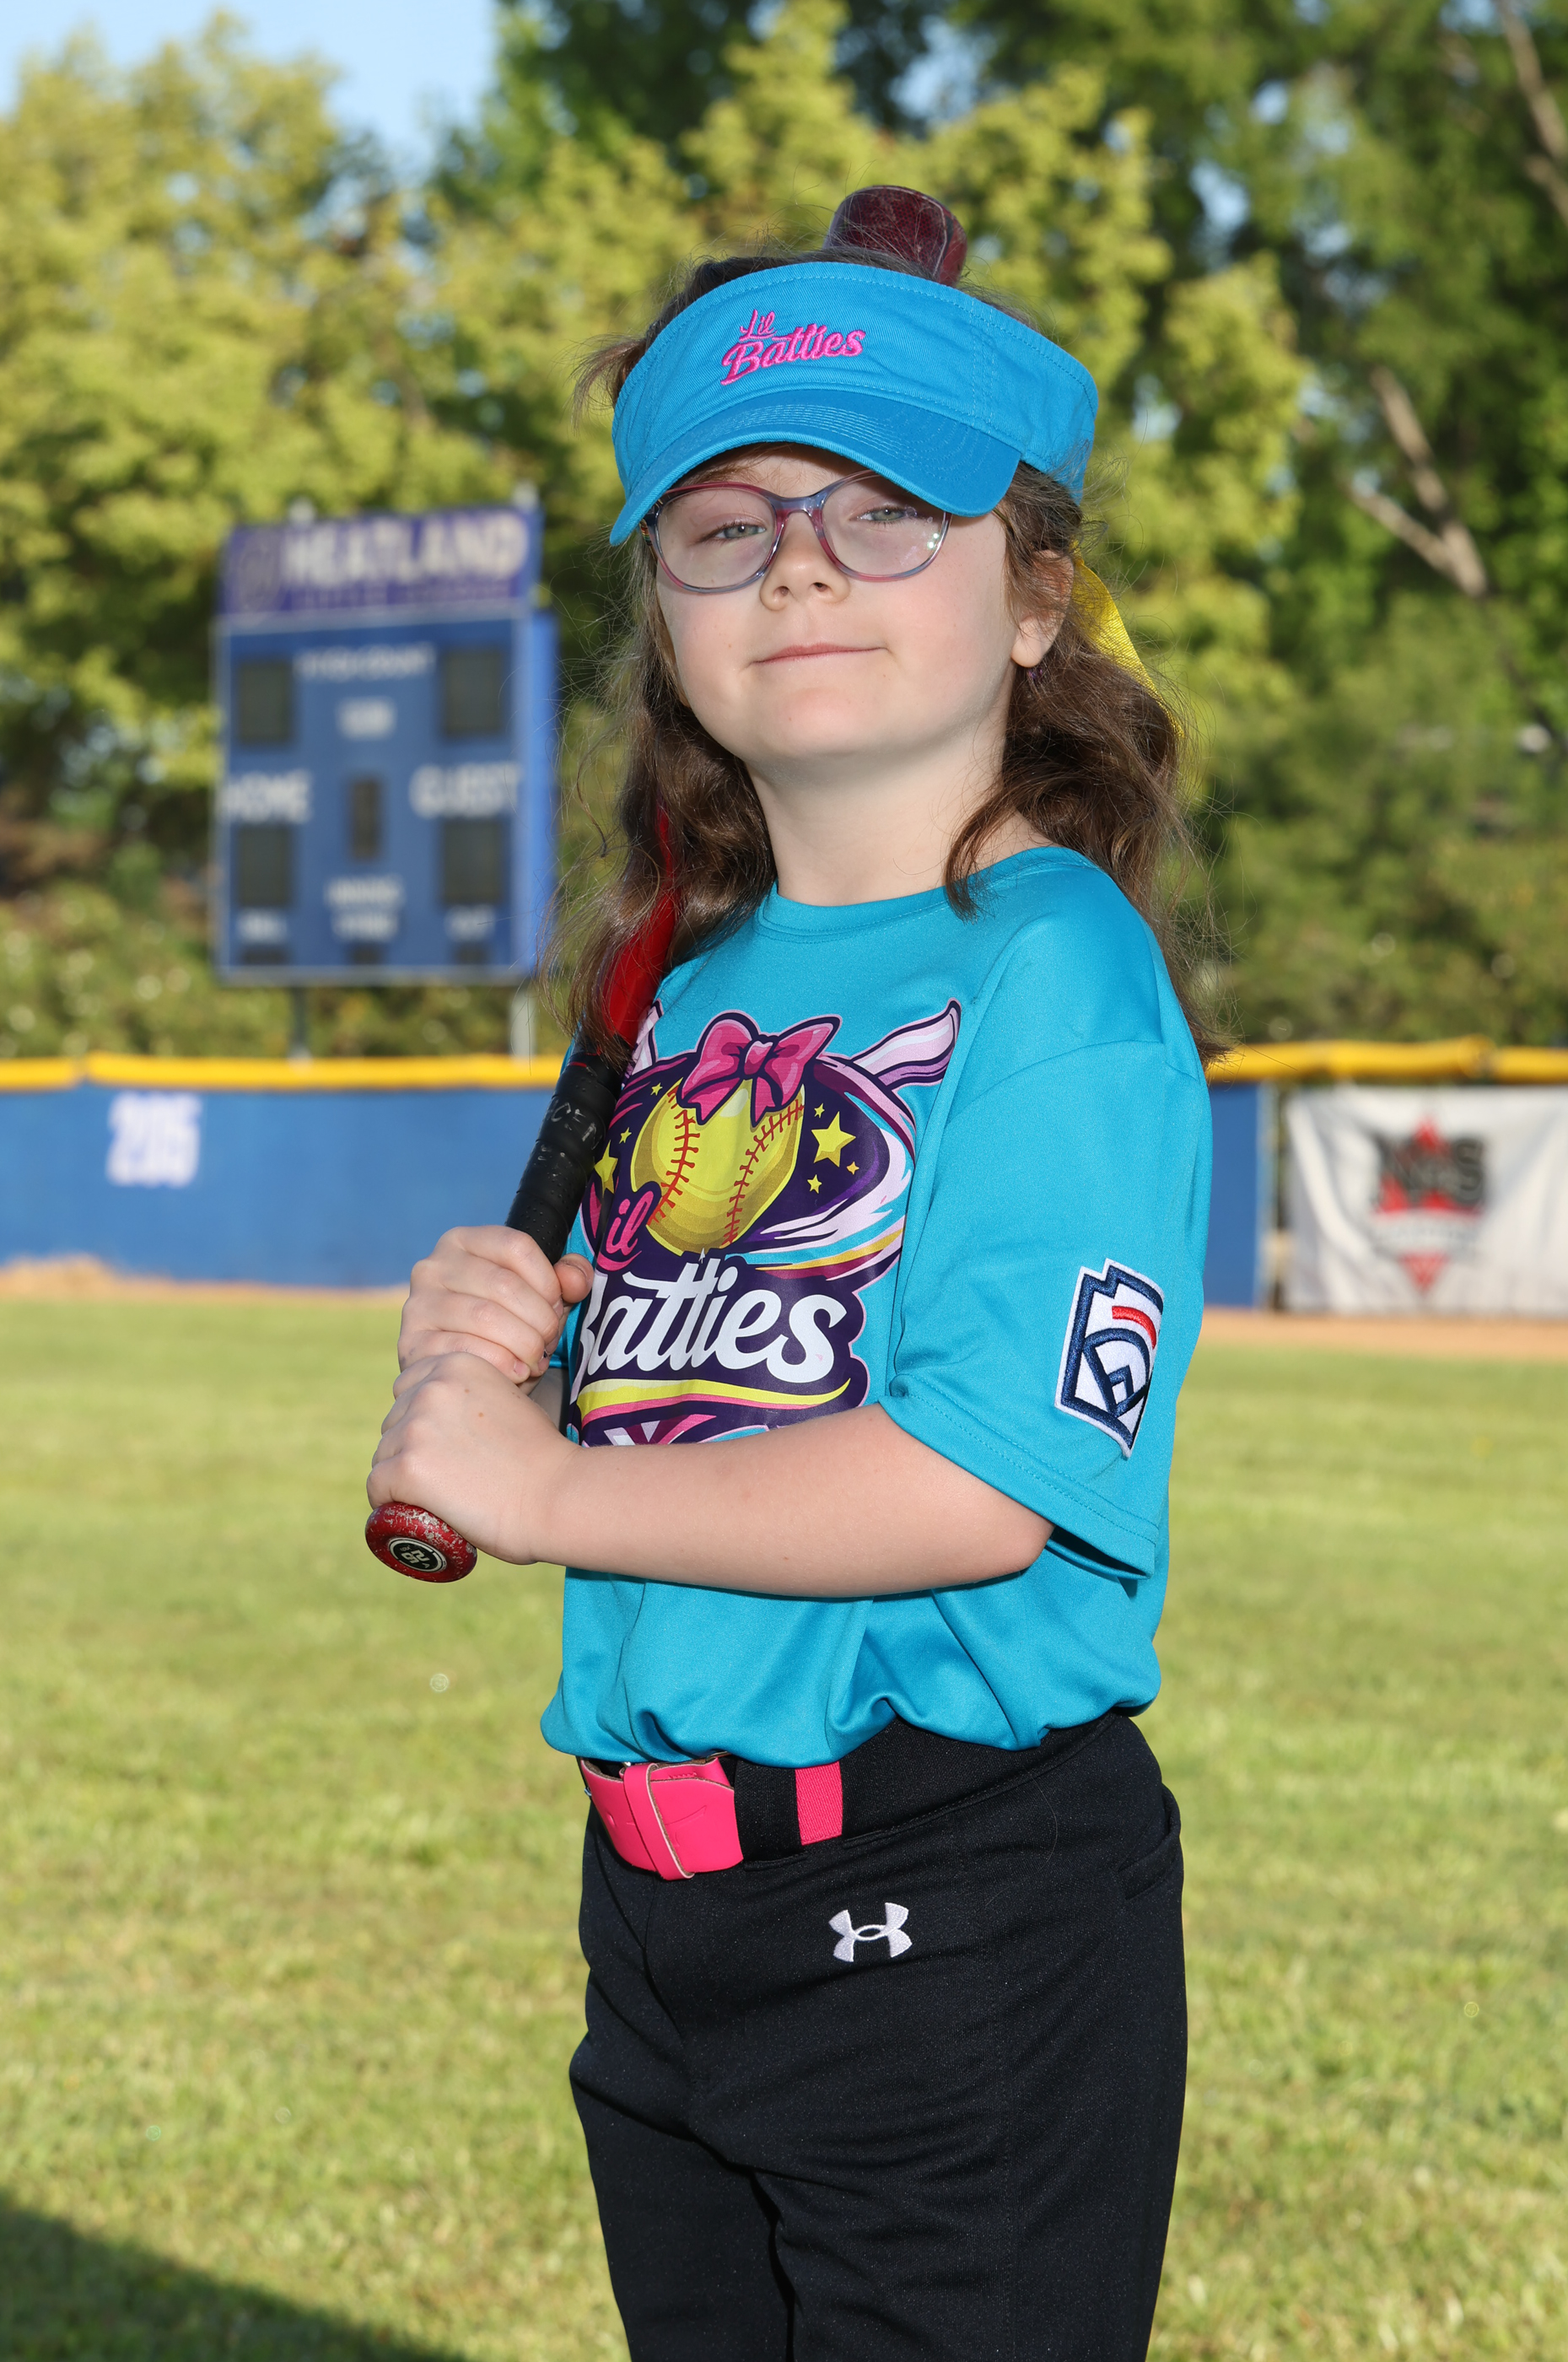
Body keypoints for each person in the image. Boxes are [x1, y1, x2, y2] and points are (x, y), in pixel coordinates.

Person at [369, 216, 1213, 2361]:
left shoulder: (1055, 971)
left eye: (883, 510)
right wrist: (516, 1363)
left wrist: (543, 1489)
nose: (801, 569)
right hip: (664, 1912)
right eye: (725, 524)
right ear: (665, 615)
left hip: (951, 1910)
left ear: (1034, 598)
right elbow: (717, 1404)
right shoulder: (704, 985)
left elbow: (970, 1481)